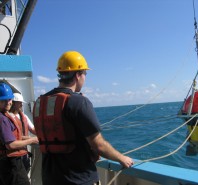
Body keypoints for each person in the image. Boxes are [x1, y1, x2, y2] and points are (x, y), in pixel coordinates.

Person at [33, 51, 134, 185]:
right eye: (85, 73)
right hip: (78, 179)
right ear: (78, 75)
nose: (85, 77)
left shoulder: (40, 103)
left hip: (50, 179)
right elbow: (99, 145)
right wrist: (122, 158)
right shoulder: (79, 102)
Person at [0, 83, 39, 185]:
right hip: (11, 163)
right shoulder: (3, 119)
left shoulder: (6, 116)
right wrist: (32, 140)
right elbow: (11, 145)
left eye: (9, 99)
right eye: (4, 100)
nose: (8, 102)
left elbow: (13, 137)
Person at [9, 93, 36, 173]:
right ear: (13, 103)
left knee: (25, 171)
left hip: (24, 152)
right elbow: (13, 137)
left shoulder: (24, 117)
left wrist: (45, 134)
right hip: (13, 155)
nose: (21, 105)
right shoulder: (7, 118)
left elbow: (33, 129)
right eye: (19, 102)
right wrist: (31, 139)